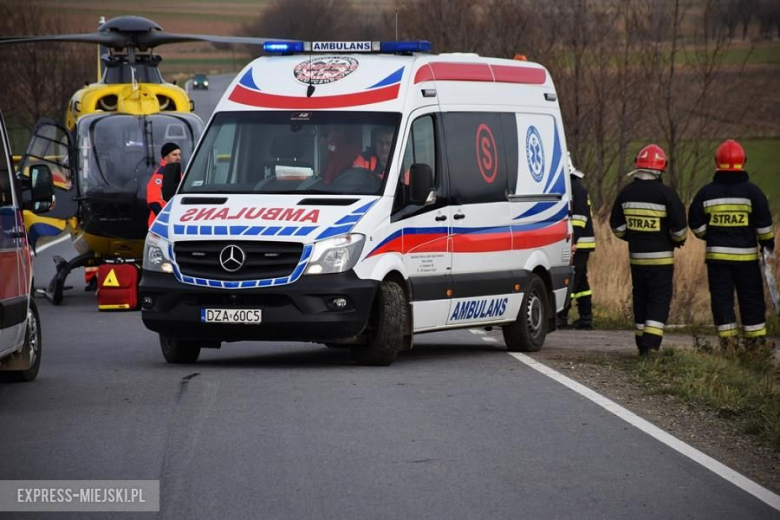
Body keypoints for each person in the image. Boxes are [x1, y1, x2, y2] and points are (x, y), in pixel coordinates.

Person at [688, 139, 774, 348]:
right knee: (751, 298)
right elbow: (764, 226)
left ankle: (728, 344)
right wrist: (767, 245)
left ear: (717, 162)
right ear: (743, 162)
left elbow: (696, 224)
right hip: (746, 259)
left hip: (717, 258)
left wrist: (712, 236)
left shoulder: (706, 193)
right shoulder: (753, 192)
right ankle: (755, 343)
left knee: (721, 299)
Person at [610, 144, 687, 355]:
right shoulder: (667, 194)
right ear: (660, 169)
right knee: (658, 300)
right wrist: (671, 240)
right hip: (661, 261)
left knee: (641, 298)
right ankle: (651, 346)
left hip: (636, 259)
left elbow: (617, 228)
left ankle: (641, 343)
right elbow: (680, 231)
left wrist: (634, 238)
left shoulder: (625, 194)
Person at [558, 155, 596, 330]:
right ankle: (586, 319)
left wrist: (573, 241)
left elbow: (579, 219)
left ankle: (561, 317)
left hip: (579, 243)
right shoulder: (573, 186)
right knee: (581, 283)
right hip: (580, 242)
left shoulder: (576, 189)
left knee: (572, 280)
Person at [147, 142, 181, 228]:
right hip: (160, 225)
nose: (178, 158)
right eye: (174, 154)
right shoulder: (160, 175)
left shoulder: (176, 172)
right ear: (165, 157)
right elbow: (153, 202)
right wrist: (164, 220)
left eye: (179, 154)